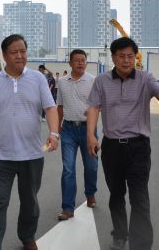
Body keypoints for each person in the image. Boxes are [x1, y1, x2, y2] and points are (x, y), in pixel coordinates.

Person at [87, 37, 159, 250]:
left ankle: (141, 245)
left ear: (135, 58)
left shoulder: (145, 79)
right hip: (112, 147)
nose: (126, 61)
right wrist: (90, 135)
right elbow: (93, 108)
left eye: (130, 56)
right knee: (116, 195)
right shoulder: (101, 81)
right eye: (121, 56)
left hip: (138, 148)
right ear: (113, 58)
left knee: (139, 197)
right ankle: (119, 236)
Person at [0, 34, 60, 250]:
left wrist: (54, 133)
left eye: (23, 51)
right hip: (0, 156)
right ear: (4, 55)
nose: (20, 56)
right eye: (14, 52)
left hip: (32, 155)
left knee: (30, 202)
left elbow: (50, 108)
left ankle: (27, 236)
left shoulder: (38, 79)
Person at [56, 49, 97, 221]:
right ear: (70, 63)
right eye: (77, 60)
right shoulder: (62, 82)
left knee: (91, 166)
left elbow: (97, 106)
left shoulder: (93, 81)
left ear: (86, 62)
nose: (80, 63)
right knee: (68, 169)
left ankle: (90, 193)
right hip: (68, 130)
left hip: (88, 130)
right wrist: (57, 126)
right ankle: (67, 207)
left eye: (83, 60)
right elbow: (59, 106)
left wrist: (92, 130)